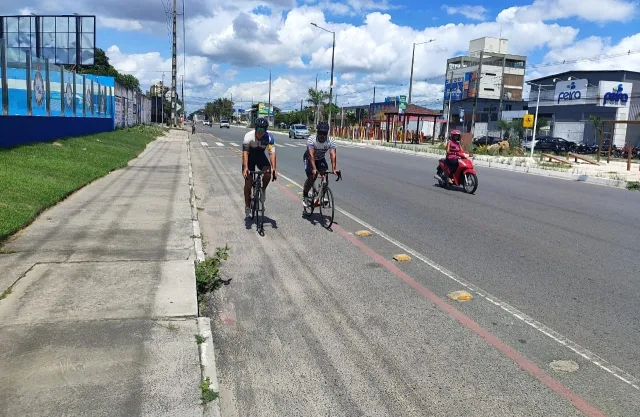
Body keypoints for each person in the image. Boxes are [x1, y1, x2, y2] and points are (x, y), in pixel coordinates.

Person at [242, 118, 277, 218]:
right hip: (249, 157)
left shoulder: (269, 138)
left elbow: (272, 153)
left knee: (268, 173)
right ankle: (247, 205)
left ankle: (262, 190)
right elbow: (245, 153)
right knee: (248, 182)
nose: (260, 133)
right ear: (255, 129)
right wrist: (245, 168)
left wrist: (274, 168)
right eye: (258, 130)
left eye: (263, 130)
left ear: (266, 131)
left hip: (260, 156)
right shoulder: (249, 136)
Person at [302, 121, 338, 207]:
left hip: (320, 158)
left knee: (325, 175)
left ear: (327, 133)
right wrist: (314, 169)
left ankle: (321, 196)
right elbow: (311, 155)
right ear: (317, 132)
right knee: (312, 177)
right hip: (309, 158)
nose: (322, 135)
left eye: (324, 133)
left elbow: (333, 155)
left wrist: (334, 168)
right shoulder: (312, 139)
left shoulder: (331, 140)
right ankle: (305, 195)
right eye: (320, 133)